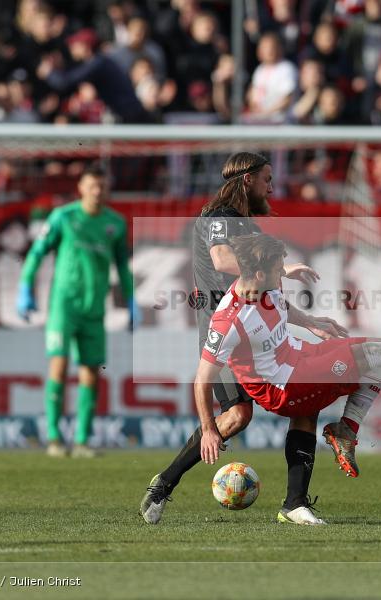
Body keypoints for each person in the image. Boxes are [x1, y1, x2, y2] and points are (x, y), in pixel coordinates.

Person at [193, 234, 381, 524]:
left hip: (298, 360)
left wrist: (312, 323)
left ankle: (342, 435)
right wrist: (208, 429)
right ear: (257, 274)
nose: (283, 272)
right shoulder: (228, 321)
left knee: (377, 351)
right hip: (282, 387)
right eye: (279, 268)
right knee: (378, 354)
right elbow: (203, 378)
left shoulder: (263, 285)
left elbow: (279, 304)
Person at [140, 152, 339, 526]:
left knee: (306, 399)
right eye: (266, 178)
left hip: (262, 332)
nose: (272, 187)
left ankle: (295, 504)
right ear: (247, 180)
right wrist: (280, 267)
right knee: (237, 416)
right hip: (227, 331)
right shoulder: (218, 216)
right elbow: (219, 259)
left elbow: (268, 295)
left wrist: (307, 320)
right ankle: (163, 484)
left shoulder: (252, 230)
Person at [16, 163, 140, 458]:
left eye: (102, 186)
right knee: (58, 365)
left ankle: (82, 441)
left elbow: (122, 266)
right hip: (64, 306)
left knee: (91, 374)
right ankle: (54, 439)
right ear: (81, 188)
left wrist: (132, 300)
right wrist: (25, 287)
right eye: (92, 186)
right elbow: (37, 252)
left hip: (94, 307)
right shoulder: (64, 217)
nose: (97, 191)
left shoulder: (115, 223)